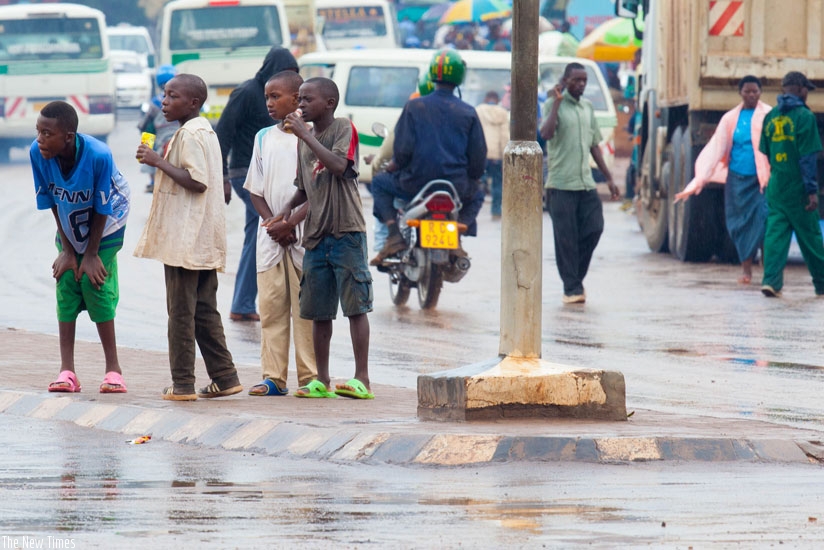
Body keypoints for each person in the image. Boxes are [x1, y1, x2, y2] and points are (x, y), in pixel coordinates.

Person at [134, 73, 243, 401]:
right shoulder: (203, 130)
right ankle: (225, 377)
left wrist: (157, 161)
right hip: (200, 239)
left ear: (193, 102)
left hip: (186, 239)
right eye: (164, 95)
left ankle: (182, 383)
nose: (165, 101)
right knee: (205, 309)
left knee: (181, 312)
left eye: (172, 96)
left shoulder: (190, 135)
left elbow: (196, 181)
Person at [278, 77, 374, 400]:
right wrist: (286, 211)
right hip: (316, 235)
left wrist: (305, 134)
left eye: (307, 100)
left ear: (329, 103)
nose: (300, 105)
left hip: (346, 229)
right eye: (299, 100)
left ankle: (362, 377)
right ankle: (322, 379)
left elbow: (338, 166)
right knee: (318, 311)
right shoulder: (302, 141)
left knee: (356, 306)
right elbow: (303, 187)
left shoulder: (343, 128)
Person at [30, 100, 130, 393]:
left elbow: (102, 206)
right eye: (38, 131)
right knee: (66, 280)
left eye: (47, 133)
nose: (40, 139)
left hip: (108, 221)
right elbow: (51, 201)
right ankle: (67, 371)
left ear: (68, 137)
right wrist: (68, 250)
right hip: (70, 220)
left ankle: (114, 370)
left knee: (92, 280)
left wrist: (92, 253)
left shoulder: (99, 155)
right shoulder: (38, 154)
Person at [370, 49, 487, 264]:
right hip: (456, 186)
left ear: (432, 74)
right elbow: (478, 159)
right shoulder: (468, 111)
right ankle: (457, 237)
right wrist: (472, 178)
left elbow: (402, 151)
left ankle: (394, 235)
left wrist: (393, 167)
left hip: (414, 184)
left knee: (378, 183)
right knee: (478, 194)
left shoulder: (414, 106)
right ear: (460, 77)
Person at [243, 70, 317, 397]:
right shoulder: (263, 138)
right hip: (270, 236)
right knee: (272, 308)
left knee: (307, 310)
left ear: (297, 99)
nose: (270, 103)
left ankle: (311, 376)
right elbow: (255, 190)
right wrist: (274, 223)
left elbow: (319, 191)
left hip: (305, 235)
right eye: (267, 98)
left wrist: (291, 223)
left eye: (276, 97)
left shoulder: (313, 136)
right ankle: (273, 377)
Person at [216, 47, 300, 323]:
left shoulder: (287, 100)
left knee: (264, 228)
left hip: (272, 172)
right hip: (244, 172)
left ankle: (248, 301)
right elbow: (223, 133)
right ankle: (245, 301)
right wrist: (224, 177)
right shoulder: (247, 93)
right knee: (266, 227)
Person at [674, 76, 771, 284]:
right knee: (738, 224)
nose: (751, 95)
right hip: (737, 180)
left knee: (764, 221)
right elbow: (716, 148)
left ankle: (768, 270)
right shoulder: (730, 119)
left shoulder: (769, 116)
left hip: (761, 180)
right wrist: (702, 177)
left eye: (755, 91)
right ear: (740, 93)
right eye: (747, 92)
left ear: (760, 93)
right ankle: (746, 271)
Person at [540, 62, 620, 305]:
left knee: (594, 227)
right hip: (560, 184)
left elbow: (594, 145)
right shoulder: (552, 105)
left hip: (585, 183)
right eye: (576, 80)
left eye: (585, 81)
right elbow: (546, 134)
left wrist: (608, 177)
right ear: (565, 81)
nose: (582, 85)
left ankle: (574, 278)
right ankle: (572, 288)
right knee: (566, 238)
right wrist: (556, 103)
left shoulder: (587, 108)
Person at [757, 71, 824, 298]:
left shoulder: (771, 116)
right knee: (811, 236)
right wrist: (811, 191)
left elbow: (765, 150)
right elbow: (807, 158)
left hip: (776, 184)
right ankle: (822, 284)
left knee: (775, 234)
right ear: (800, 89)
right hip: (798, 187)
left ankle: (771, 282)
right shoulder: (804, 117)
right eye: (807, 90)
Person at [137, 64, 178, 194]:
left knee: (146, 148)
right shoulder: (181, 99)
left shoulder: (155, 102)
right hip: (179, 134)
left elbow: (146, 123)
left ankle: (153, 181)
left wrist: (142, 129)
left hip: (161, 137)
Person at [475, 90, 510, 219]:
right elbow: (504, 136)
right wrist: (504, 156)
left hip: (482, 154)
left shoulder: (478, 111)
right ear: (497, 100)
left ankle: (474, 211)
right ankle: (496, 212)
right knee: (497, 184)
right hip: (497, 156)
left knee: (479, 183)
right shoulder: (502, 113)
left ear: (486, 98)